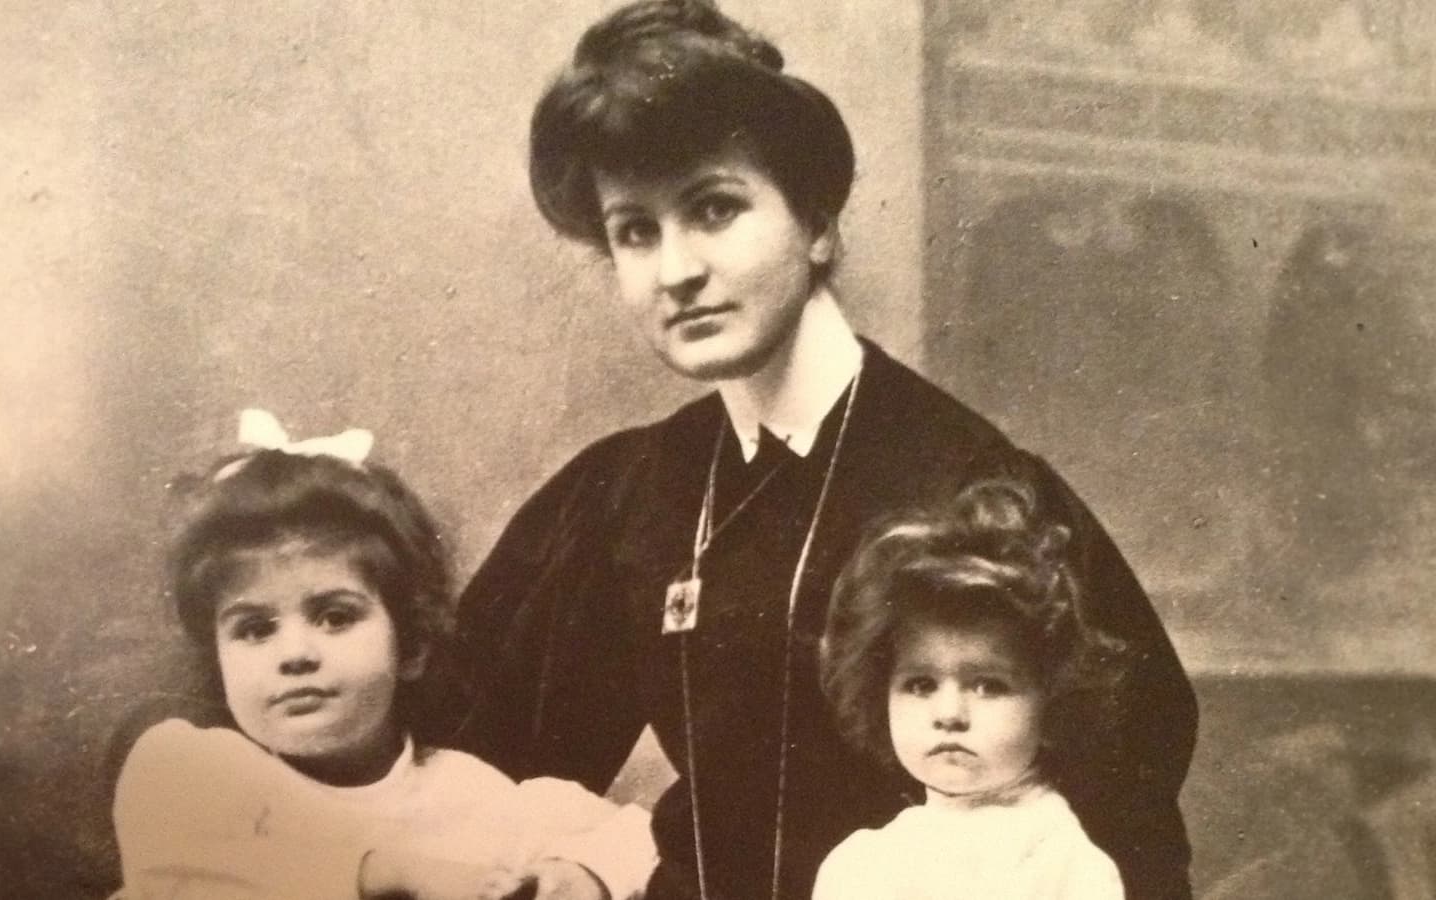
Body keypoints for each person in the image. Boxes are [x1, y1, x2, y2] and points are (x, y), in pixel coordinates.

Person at [437, 2, 1198, 898]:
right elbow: (471, 769)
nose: (675, 270)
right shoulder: (632, 492)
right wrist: (581, 870)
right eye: (634, 230)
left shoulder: (970, 489)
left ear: (818, 222)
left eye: (714, 208)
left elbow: (1128, 828)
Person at [112, 410, 655, 900]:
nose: (295, 654)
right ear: (218, 658)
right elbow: (186, 871)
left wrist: (581, 873)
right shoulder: (194, 771)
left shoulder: (461, 788)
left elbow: (647, 838)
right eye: (255, 630)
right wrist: (400, 875)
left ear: (412, 646)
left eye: (335, 617)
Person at [814, 478, 1128, 899]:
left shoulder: (1063, 866)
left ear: (1052, 701)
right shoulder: (863, 864)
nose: (949, 713)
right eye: (920, 684)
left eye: (988, 686)